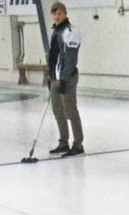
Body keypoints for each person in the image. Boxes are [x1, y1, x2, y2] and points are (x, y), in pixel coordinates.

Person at [46, 2, 85, 158]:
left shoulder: (70, 31)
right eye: (54, 13)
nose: (57, 16)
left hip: (67, 77)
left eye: (60, 13)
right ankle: (63, 141)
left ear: (65, 14)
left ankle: (78, 144)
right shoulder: (56, 31)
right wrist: (51, 76)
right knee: (58, 111)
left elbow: (70, 57)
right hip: (56, 77)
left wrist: (63, 78)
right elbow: (54, 56)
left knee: (70, 110)